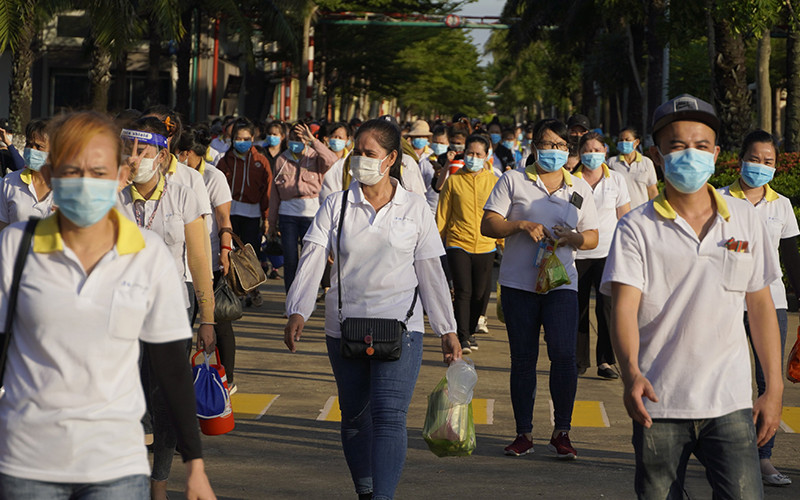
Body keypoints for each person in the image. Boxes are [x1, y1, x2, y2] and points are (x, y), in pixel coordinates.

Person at [0, 111, 215, 499]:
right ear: (52, 175)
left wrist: (195, 463)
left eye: (98, 172)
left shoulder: (148, 255)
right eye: (72, 170)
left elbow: (172, 368)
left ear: (120, 176)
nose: (84, 184)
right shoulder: (16, 247)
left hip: (115, 466)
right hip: (28, 462)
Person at [601, 94, 783, 498]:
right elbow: (624, 308)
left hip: (730, 403)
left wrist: (774, 389)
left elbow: (761, 307)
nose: (690, 155)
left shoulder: (746, 218)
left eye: (701, 146)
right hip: (658, 402)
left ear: (717, 154)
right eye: (677, 145)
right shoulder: (636, 227)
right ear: (657, 154)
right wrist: (630, 374)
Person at [284, 118, 461, 500]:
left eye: (370, 154)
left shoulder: (414, 208)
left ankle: (383, 497)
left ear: (391, 158)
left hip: (402, 328)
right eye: (357, 153)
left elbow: (431, 271)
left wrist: (447, 329)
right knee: (354, 417)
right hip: (344, 326)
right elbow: (313, 256)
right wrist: (297, 310)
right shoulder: (337, 204)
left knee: (389, 417)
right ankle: (365, 490)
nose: (360, 160)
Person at [481, 118, 599, 460]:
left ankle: (562, 432)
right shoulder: (513, 179)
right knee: (523, 359)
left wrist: (573, 237)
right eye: (548, 145)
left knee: (563, 355)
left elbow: (592, 235)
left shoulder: (579, 188)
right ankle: (523, 433)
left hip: (562, 284)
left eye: (561, 146)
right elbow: (489, 223)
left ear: (568, 151)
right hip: (519, 285)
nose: (554, 151)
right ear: (535, 147)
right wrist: (519, 224)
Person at [116, 119, 216, 500]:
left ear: (162, 155)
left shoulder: (184, 193)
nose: (135, 157)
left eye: (143, 151)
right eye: (130, 149)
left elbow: (200, 260)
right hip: (122, 308)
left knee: (165, 398)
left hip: (171, 306)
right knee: (128, 395)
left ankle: (158, 483)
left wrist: (207, 318)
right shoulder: (111, 194)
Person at [718, 129, 800, 486]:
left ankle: (763, 459)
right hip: (726, 301)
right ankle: (723, 454)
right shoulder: (718, 199)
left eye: (769, 161)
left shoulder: (780, 204)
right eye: (755, 159)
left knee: (769, 382)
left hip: (772, 303)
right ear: (740, 159)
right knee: (727, 377)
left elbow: (791, 258)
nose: (761, 166)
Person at [176, 126, 240, 393]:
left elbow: (224, 219)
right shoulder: (176, 176)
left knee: (218, 321)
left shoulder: (213, 177)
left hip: (211, 257)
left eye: (177, 153)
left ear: (188, 153)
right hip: (184, 259)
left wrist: (225, 251)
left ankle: (227, 378)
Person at [572, 132, 630, 379]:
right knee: (578, 307)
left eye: (597, 149)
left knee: (606, 309)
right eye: (587, 149)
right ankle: (578, 359)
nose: (592, 154)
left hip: (608, 252)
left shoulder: (615, 179)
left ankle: (605, 361)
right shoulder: (571, 180)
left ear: (605, 151)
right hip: (577, 252)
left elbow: (625, 217)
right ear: (580, 152)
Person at [436, 134, 498, 354]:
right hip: (457, 242)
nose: (473, 157)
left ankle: (470, 331)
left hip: (485, 244)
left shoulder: (494, 181)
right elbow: (442, 214)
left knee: (480, 294)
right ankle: (462, 336)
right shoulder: (453, 181)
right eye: (469, 153)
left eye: (478, 154)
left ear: (486, 156)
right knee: (463, 291)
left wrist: (502, 241)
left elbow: (499, 214)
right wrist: (436, 243)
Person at [268, 122, 338, 292]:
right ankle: (291, 300)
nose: (296, 142)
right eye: (293, 139)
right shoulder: (282, 159)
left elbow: (331, 159)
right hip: (287, 214)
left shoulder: (315, 157)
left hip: (311, 213)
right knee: (290, 259)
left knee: (309, 259)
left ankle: (307, 297)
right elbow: (275, 195)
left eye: (299, 139)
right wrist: (271, 222)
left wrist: (312, 140)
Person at [217, 118, 273, 306]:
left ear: (253, 138)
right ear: (232, 139)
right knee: (230, 253)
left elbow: (267, 191)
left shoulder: (261, 161)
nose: (242, 142)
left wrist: (267, 217)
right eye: (238, 139)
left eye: (246, 138)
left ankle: (253, 289)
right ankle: (236, 291)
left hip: (252, 213)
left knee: (251, 253)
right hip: (230, 212)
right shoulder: (224, 161)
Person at [0, 119, 54, 230]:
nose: (32, 150)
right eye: (29, 144)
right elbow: (3, 229)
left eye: (39, 147)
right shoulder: (10, 182)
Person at [607, 126, 658, 208]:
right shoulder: (612, 162)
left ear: (636, 142)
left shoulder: (646, 163)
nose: (624, 142)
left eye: (627, 140)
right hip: (619, 213)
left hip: (641, 212)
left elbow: (652, 190)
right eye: (621, 140)